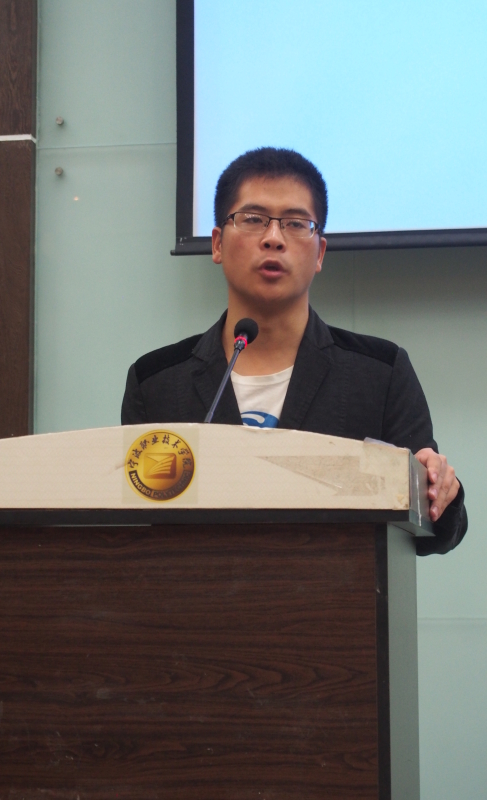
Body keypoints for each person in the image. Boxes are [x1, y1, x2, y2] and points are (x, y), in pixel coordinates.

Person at [122, 147, 467, 555]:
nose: (273, 238)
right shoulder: (158, 382)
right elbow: (136, 530)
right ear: (217, 244)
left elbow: (437, 532)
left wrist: (439, 489)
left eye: (295, 224)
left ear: (319, 253)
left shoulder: (379, 373)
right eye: (253, 219)